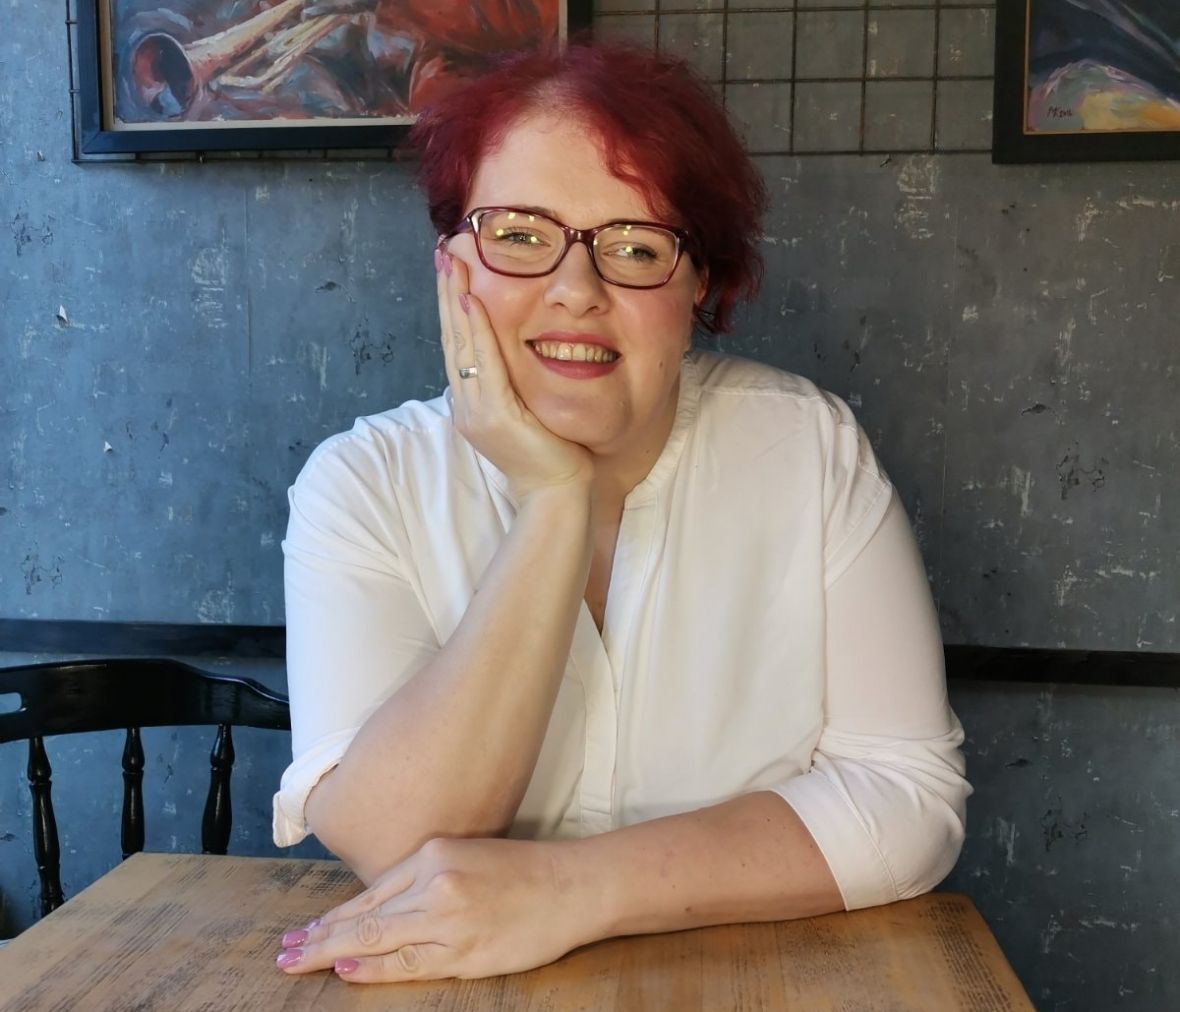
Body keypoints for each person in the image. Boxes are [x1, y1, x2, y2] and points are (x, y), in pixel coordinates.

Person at [271, 40, 970, 984]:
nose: (576, 291)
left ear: (700, 284)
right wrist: (554, 499)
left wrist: (572, 890)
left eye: (636, 248)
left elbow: (909, 798)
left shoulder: (806, 448)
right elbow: (393, 842)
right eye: (521, 235)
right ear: (452, 266)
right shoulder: (362, 483)